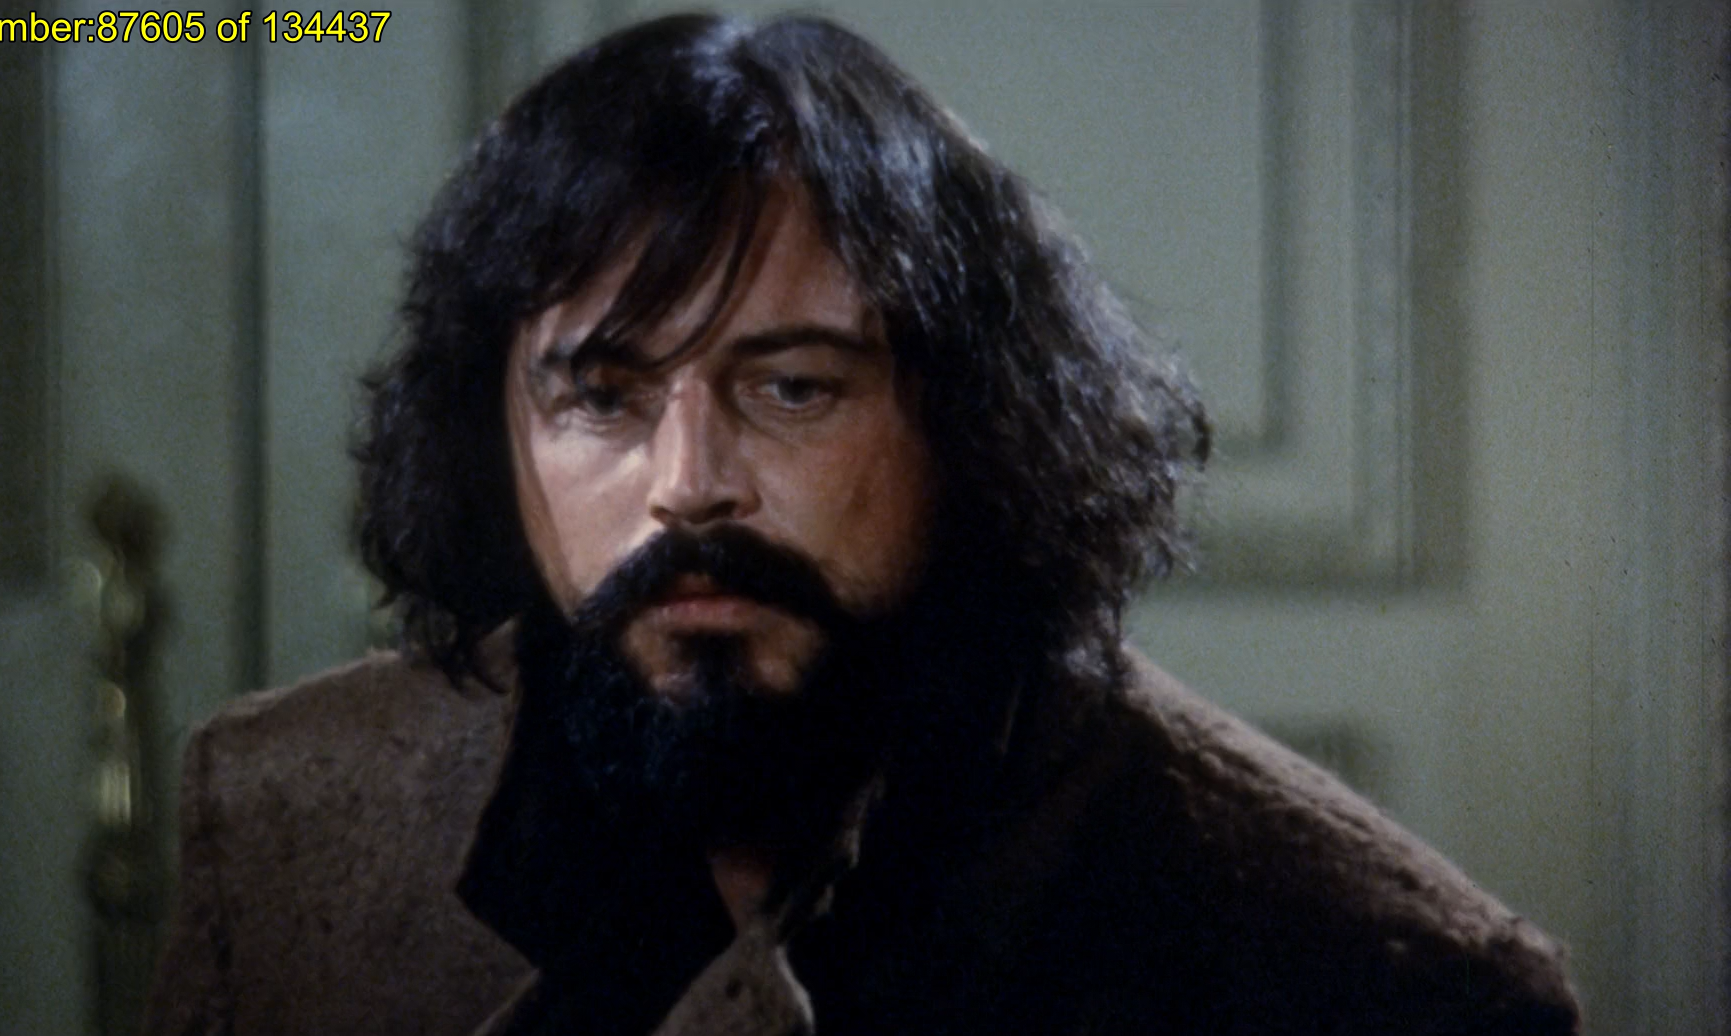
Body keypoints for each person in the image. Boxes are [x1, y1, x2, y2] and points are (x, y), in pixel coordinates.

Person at [145, 13, 1581, 1035]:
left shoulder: (1367, 973)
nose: (687, 482)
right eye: (603, 398)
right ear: (495, 434)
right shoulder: (287, 826)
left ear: (972, 420)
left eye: (793, 388)